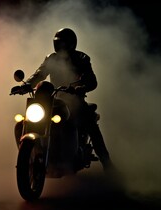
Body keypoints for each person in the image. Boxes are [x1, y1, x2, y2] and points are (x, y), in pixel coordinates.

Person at [18, 27, 115, 173]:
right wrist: (25, 86)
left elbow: (91, 80)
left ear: (71, 44)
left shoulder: (82, 58)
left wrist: (82, 87)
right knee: (24, 122)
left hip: (74, 100)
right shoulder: (52, 58)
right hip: (53, 100)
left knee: (90, 124)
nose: (59, 46)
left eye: (62, 43)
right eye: (57, 43)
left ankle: (107, 163)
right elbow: (40, 74)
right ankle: (33, 156)